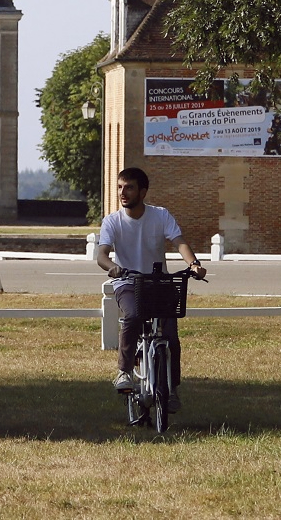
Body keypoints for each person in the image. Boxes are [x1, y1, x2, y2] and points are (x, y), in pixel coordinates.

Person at [96, 167, 206, 412]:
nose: (123, 192)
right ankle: (124, 372)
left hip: (158, 282)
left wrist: (194, 264)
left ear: (143, 192)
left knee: (170, 336)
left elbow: (179, 242)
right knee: (133, 317)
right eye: (120, 187)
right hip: (128, 282)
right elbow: (101, 255)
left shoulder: (160, 215)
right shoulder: (112, 221)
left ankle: (172, 389)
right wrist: (113, 268)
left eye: (129, 187)